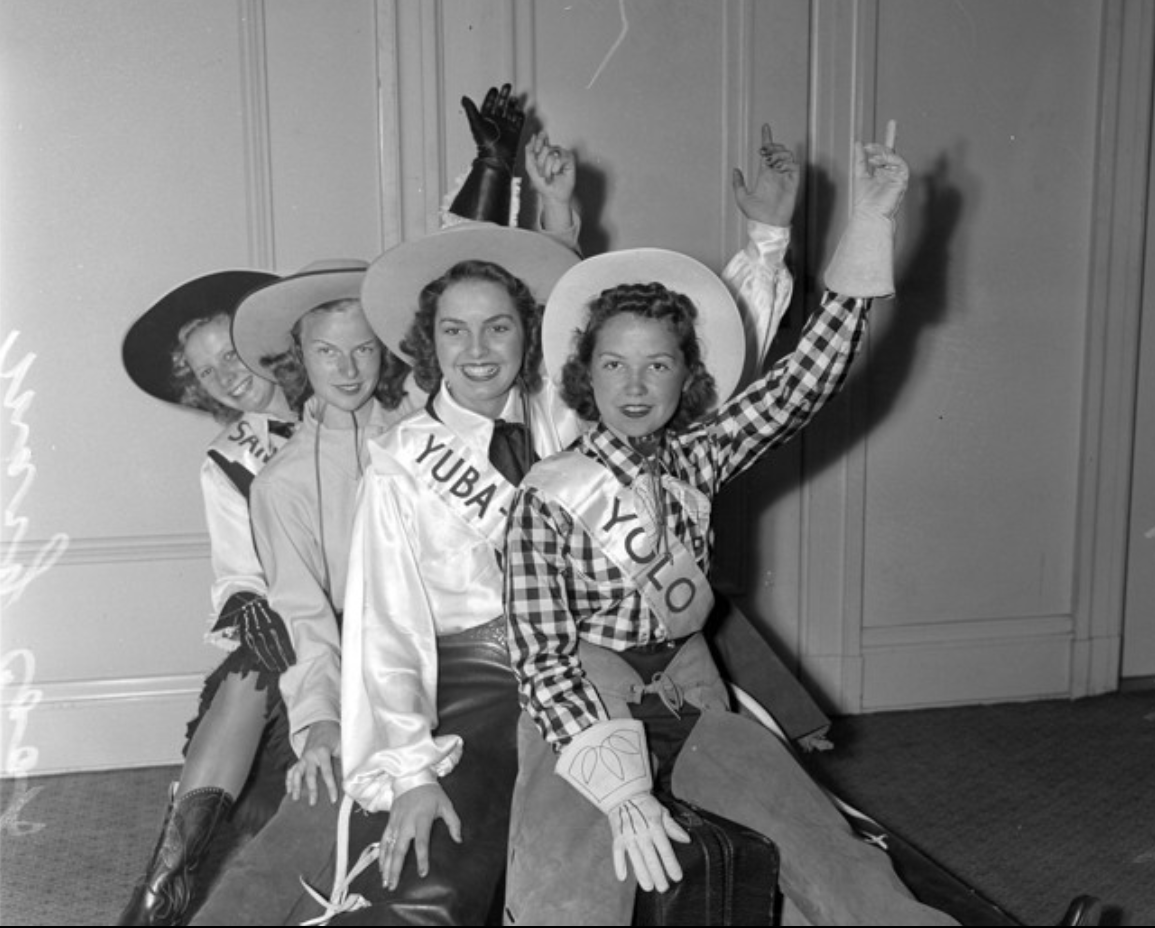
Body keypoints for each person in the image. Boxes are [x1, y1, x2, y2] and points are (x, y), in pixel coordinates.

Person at [317, 125, 805, 926]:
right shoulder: (402, 462)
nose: (478, 351)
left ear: (531, 334)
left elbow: (692, 357)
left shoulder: (570, 407)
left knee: (781, 817)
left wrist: (768, 238)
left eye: (501, 327)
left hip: (612, 657)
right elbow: (386, 631)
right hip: (479, 687)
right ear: (425, 341)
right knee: (443, 876)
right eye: (454, 331)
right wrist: (410, 771)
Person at [500, 124, 970, 926]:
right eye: (615, 364)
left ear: (689, 377)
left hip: (692, 683)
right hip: (584, 695)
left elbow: (804, 382)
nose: (637, 384)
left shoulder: (700, 454)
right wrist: (619, 792)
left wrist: (872, 221)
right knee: (564, 891)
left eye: (659, 364)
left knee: (825, 847)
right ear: (585, 375)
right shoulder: (546, 496)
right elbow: (541, 660)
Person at [186, 83, 578, 927]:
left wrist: (511, 183)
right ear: (299, 359)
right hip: (353, 665)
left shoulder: (423, 414)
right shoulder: (287, 478)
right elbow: (318, 620)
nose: (348, 368)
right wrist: (323, 719)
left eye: (363, 349)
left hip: (502, 651)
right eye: (326, 352)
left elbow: (480, 292)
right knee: (314, 817)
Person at [119, 270, 299, 926]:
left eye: (232, 353)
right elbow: (239, 574)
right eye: (205, 371)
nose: (224, 376)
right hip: (299, 628)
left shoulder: (353, 402)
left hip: (398, 609)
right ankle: (157, 898)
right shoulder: (228, 458)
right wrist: (253, 605)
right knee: (254, 661)